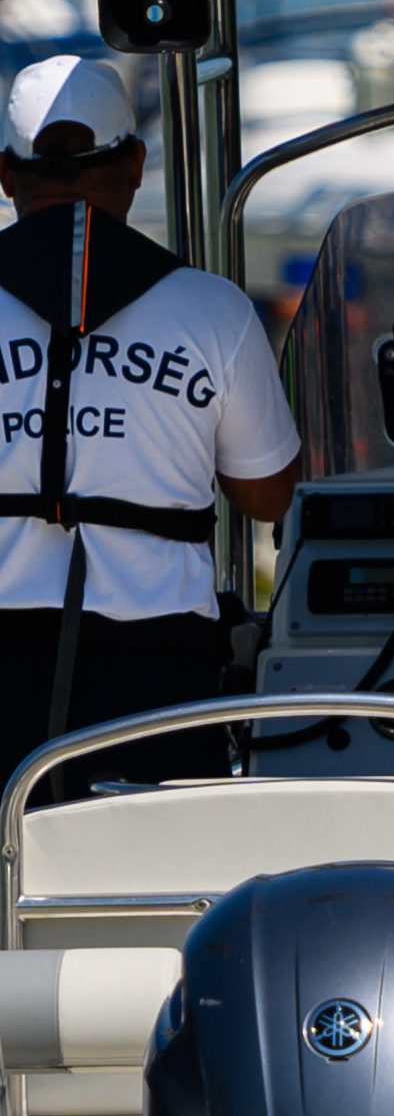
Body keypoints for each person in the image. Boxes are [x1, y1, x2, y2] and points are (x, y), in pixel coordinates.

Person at [0, 53, 306, 786]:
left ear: (7, 175)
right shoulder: (213, 309)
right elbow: (267, 496)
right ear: (136, 164)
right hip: (157, 667)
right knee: (151, 887)